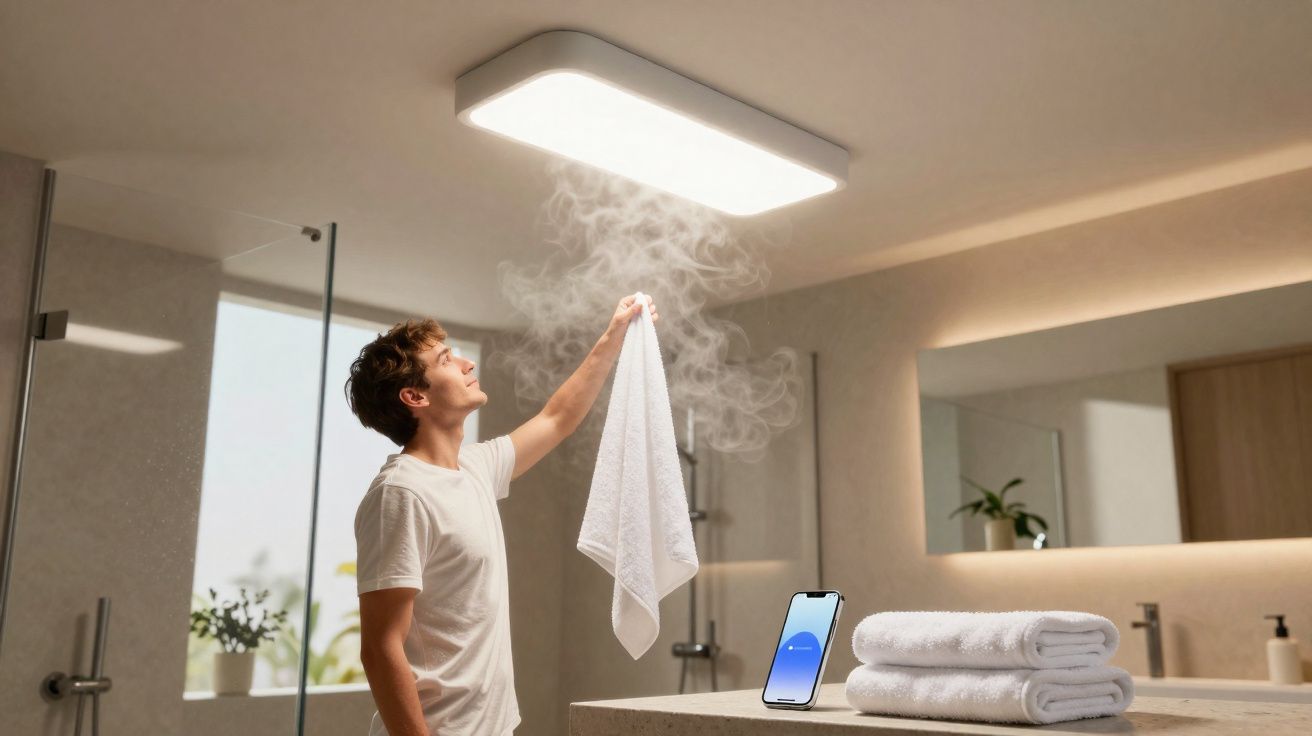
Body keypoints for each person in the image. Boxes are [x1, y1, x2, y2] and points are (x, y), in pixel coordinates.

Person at [345, 293, 659, 736]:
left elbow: (558, 417)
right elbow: (380, 647)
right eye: (446, 360)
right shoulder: (401, 493)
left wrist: (615, 334)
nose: (467, 365)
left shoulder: (474, 468)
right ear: (415, 395)